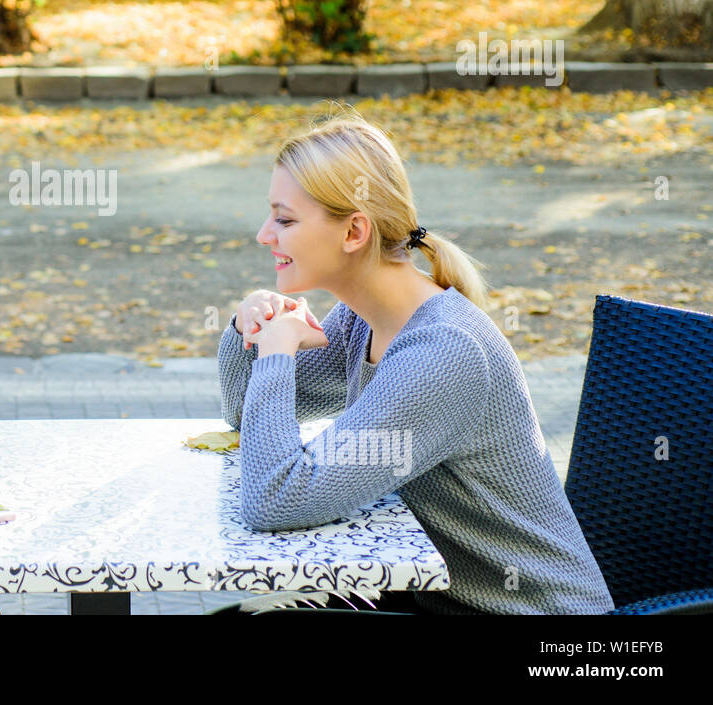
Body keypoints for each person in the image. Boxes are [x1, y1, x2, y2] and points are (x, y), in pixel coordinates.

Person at [218, 107, 614, 614]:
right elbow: (245, 419)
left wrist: (276, 353)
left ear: (354, 233)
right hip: (436, 599)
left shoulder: (442, 351)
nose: (264, 235)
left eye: (285, 219)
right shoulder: (364, 319)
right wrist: (246, 329)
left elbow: (273, 500)